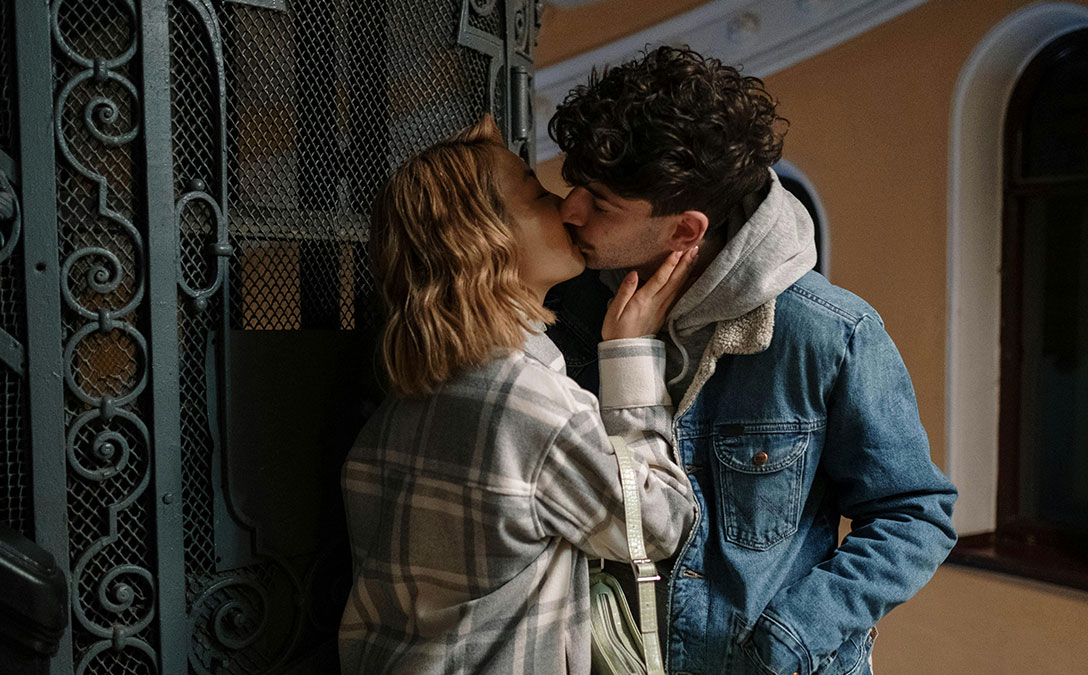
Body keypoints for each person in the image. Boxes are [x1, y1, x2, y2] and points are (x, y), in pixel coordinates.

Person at [544, 46, 958, 675]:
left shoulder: (827, 333)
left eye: (600, 203)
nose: (569, 210)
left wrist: (787, 640)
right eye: (575, 185)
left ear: (686, 229)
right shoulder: (567, 308)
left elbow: (914, 515)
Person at [339, 116, 698, 674]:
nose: (564, 206)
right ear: (484, 241)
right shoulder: (531, 405)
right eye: (535, 194)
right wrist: (630, 356)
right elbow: (660, 526)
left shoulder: (400, 406)